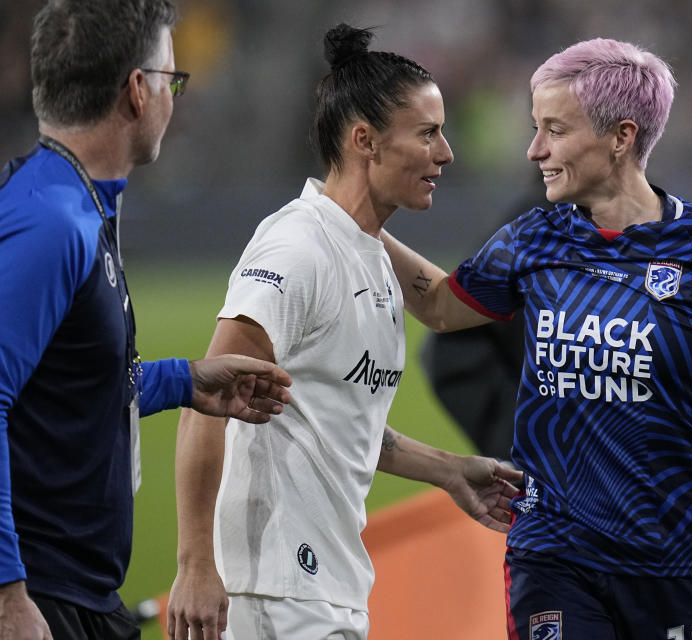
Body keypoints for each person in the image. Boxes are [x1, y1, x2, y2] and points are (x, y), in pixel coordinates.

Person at [382, 38, 692, 639]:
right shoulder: (533, 238)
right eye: (535, 127)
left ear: (622, 137)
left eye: (554, 129)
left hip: (680, 565)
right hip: (553, 557)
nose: (534, 150)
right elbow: (442, 308)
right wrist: (359, 221)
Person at [165, 24, 523, 640]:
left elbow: (340, 411)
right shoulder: (297, 248)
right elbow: (205, 403)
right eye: (429, 133)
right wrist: (196, 564)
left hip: (327, 586)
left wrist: (449, 469)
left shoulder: (368, 250)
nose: (446, 153)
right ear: (366, 140)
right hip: (273, 588)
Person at [0, 1, 295, 639]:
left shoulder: (72, 203)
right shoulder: (51, 222)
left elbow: (69, 378)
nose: (173, 98)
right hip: (41, 598)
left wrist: (184, 381)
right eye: (172, 80)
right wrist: (6, 596)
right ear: (138, 91)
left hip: (76, 593)